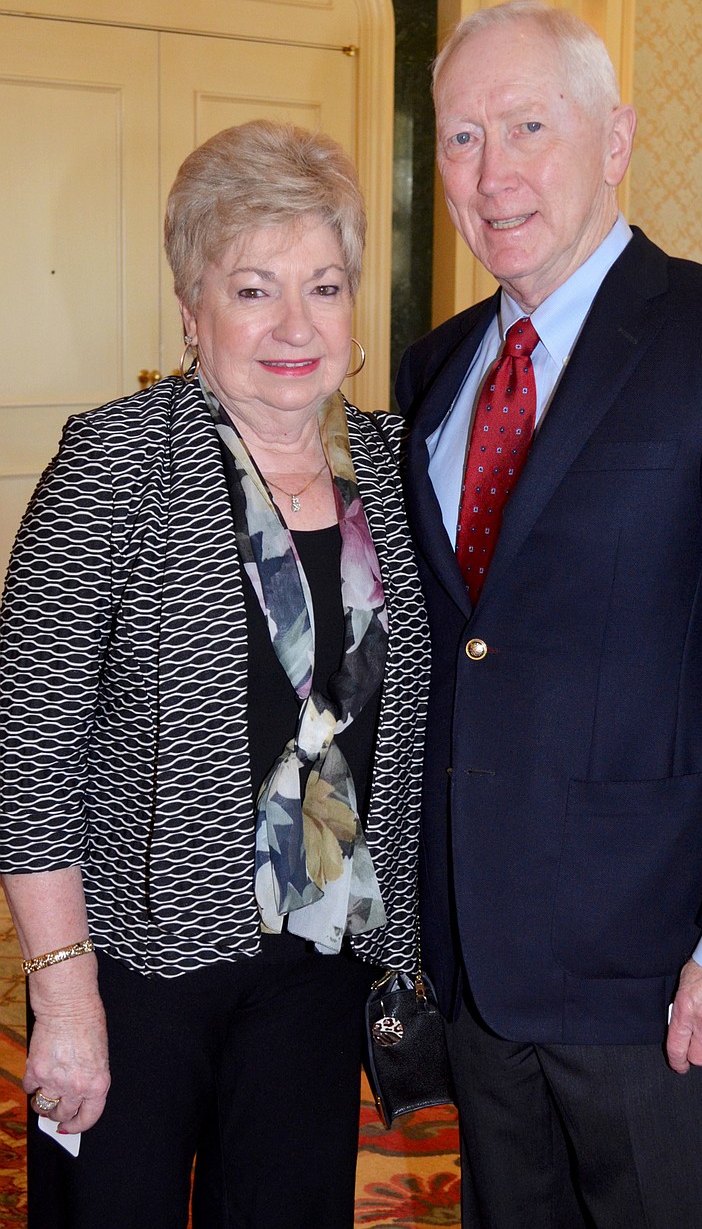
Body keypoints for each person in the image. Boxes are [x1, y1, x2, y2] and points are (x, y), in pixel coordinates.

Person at [395, 0, 702, 1229]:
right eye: (459, 138)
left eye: (528, 125)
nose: (491, 174)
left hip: (662, 981)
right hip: (480, 962)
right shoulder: (434, 372)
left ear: (614, 138)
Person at [0, 118, 428, 1228]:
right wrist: (64, 991)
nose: (295, 325)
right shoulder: (115, 462)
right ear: (191, 311)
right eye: (254, 289)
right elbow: (28, 749)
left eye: (324, 287)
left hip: (322, 958)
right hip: (140, 968)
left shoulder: (391, 463)